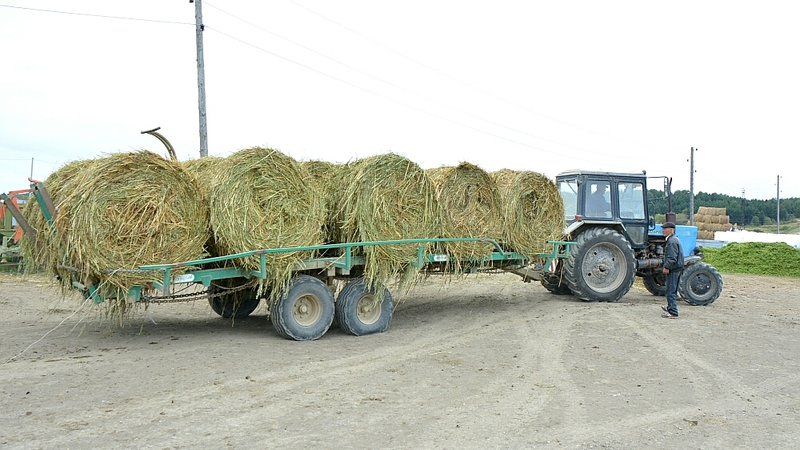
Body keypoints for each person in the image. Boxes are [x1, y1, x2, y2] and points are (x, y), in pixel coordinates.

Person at [661, 221, 684, 319]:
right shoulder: (675, 239)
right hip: (677, 268)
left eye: (665, 229)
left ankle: (673, 312)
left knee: (670, 290)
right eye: (663, 229)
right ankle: (670, 307)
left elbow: (672, 257)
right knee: (673, 290)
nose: (663, 231)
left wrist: (666, 267)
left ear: (671, 230)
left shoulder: (671, 241)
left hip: (673, 269)